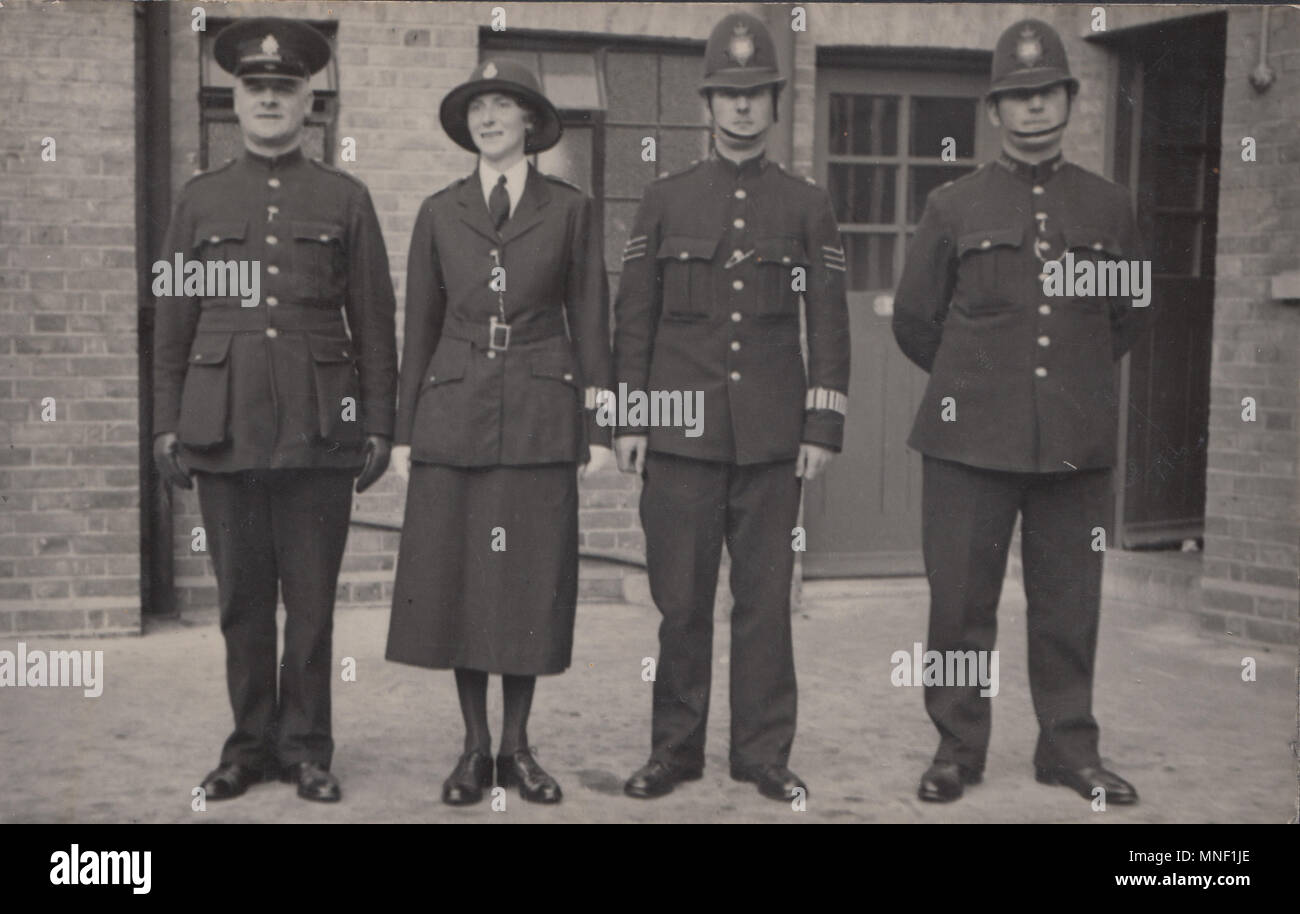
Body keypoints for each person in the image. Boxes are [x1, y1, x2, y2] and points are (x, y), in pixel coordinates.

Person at [892, 18, 1152, 806]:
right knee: (960, 606)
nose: (1033, 108)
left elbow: (1128, 320)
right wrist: (984, 382)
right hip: (968, 441)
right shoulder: (953, 204)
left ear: (1069, 101)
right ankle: (955, 748)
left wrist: (1059, 389)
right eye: (1017, 96)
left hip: (1073, 444)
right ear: (995, 110)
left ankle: (1068, 749)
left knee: (1069, 604)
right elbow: (915, 319)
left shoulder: (1111, 208)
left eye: (1047, 92)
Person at [153, 17, 397, 803]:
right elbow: (172, 325)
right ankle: (248, 745)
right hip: (220, 427)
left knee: (313, 608)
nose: (268, 100)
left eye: (283, 89)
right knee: (242, 606)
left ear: (307, 100)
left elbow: (375, 323)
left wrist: (381, 425)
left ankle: (307, 749)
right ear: (234, 99)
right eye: (255, 88)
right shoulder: (199, 202)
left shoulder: (344, 198)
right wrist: (165, 422)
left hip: (321, 429)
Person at [614, 11, 851, 802]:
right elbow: (635, 319)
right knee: (680, 604)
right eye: (728, 94)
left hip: (772, 443)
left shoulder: (806, 205)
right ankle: (674, 751)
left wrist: (822, 425)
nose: (742, 108)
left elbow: (830, 320)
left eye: (756, 95)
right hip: (680, 438)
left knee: (764, 606)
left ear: (775, 104)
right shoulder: (665, 198)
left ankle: (761, 755)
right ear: (707, 104)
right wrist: (631, 419)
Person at [385, 59, 613, 806]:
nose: (488, 119)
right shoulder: (439, 211)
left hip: (542, 417)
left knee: (525, 583)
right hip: (454, 415)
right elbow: (417, 324)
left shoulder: (571, 210)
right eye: (477, 108)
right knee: (460, 581)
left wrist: (599, 427)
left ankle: (518, 747)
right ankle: (473, 748)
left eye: (502, 107)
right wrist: (402, 430)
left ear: (530, 124)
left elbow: (593, 320)